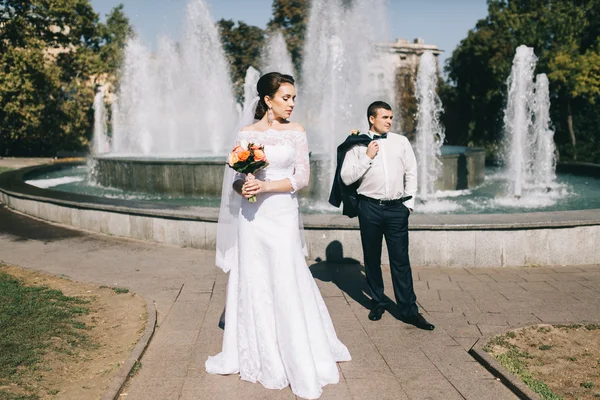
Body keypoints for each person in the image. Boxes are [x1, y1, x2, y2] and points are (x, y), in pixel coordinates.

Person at [206, 72, 351, 400]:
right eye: (286, 98)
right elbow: (235, 180)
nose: (292, 104)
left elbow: (302, 178)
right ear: (268, 100)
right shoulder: (246, 134)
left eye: (294, 98)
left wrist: (266, 185)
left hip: (282, 215)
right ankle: (262, 352)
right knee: (255, 277)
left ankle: (298, 354)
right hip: (252, 217)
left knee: (286, 276)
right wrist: (243, 185)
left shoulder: (296, 132)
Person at [335, 101, 434, 331]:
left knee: (401, 262)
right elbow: (347, 178)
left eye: (391, 117)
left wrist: (408, 204)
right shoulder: (357, 144)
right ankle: (378, 302)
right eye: (385, 117)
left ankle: (409, 311)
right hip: (368, 208)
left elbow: (412, 172)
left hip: (396, 210)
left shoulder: (401, 141)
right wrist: (367, 156)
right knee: (371, 259)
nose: (389, 121)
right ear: (372, 119)